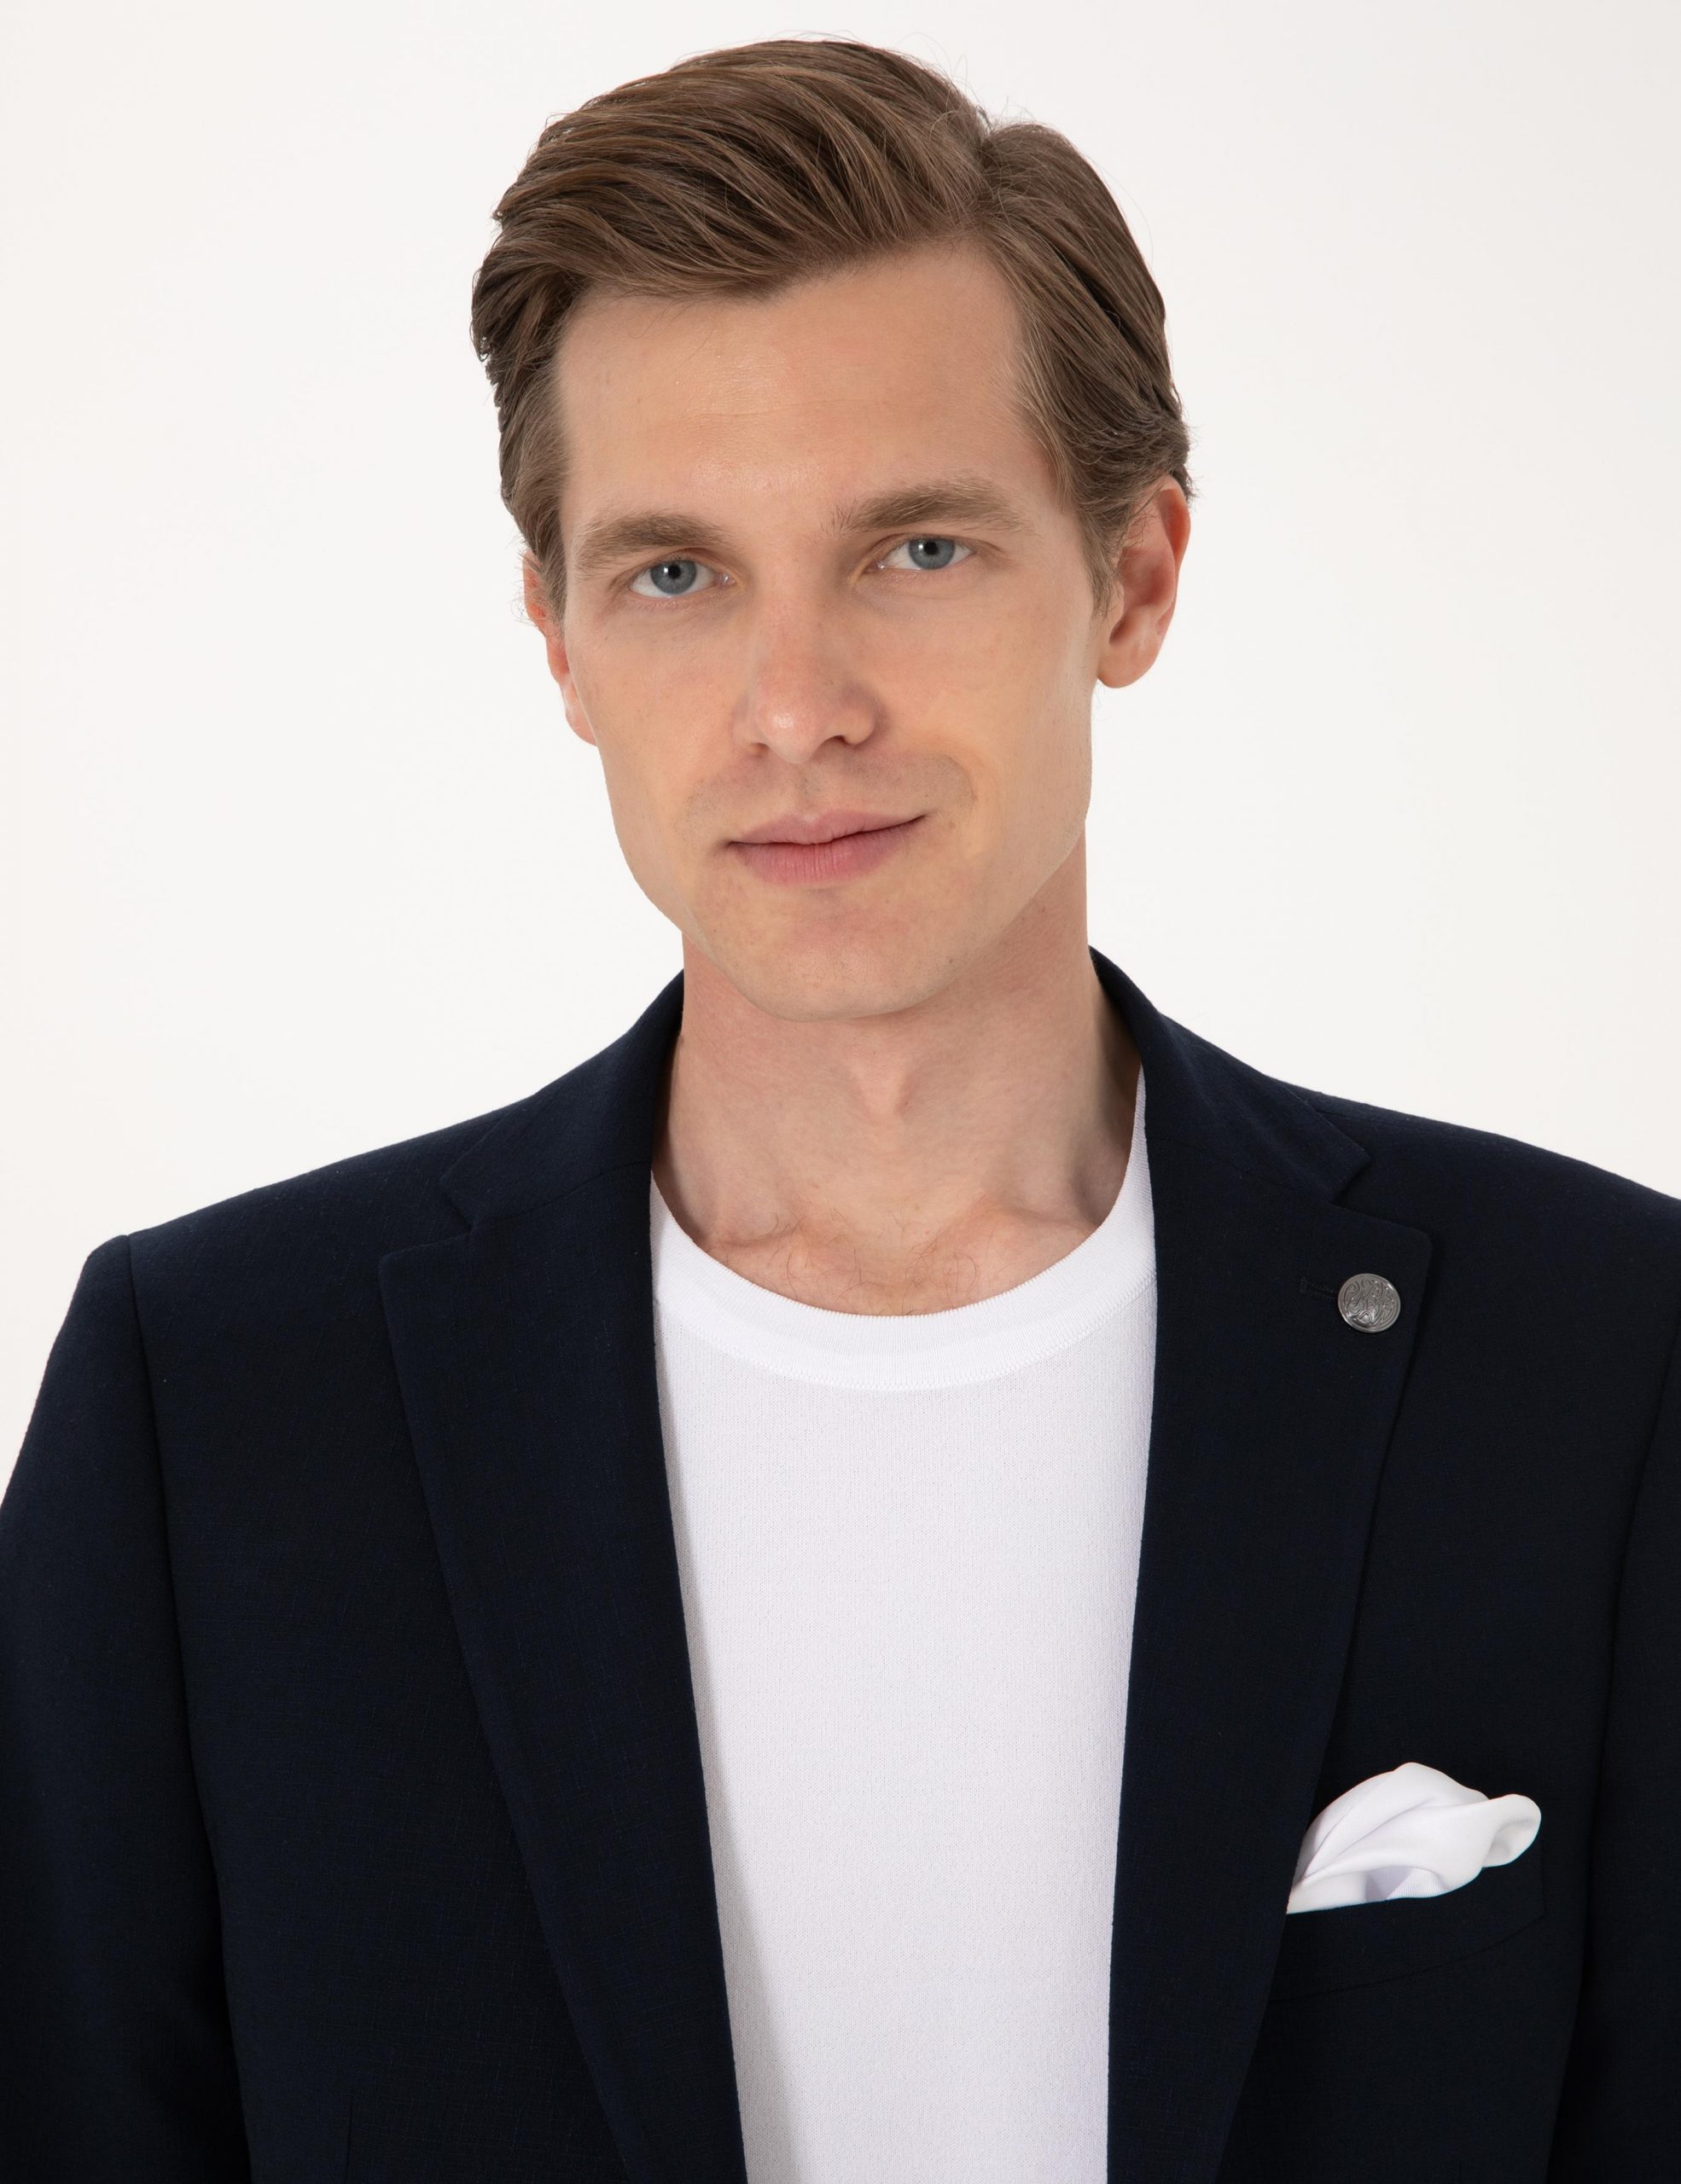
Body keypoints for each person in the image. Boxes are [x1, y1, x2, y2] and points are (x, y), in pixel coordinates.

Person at [2, 33, 1675, 2183]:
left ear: (1136, 576)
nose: (795, 707)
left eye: (916, 548)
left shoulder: (1592, 1356)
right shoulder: (219, 1402)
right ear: (560, 641)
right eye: (675, 573)